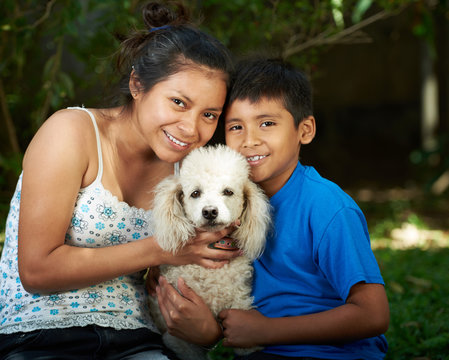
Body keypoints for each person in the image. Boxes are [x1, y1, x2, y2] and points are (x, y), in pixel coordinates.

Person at [0, 2, 239, 359]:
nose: (191, 128)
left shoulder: (190, 177)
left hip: (135, 339)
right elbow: (37, 269)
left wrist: (209, 329)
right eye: (179, 102)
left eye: (209, 114)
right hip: (39, 335)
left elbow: (193, 264)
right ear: (138, 84)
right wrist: (160, 249)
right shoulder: (72, 133)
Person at [155, 58, 390, 359]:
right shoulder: (229, 201)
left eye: (267, 123)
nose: (250, 140)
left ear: (304, 130)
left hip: (329, 353)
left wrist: (268, 330)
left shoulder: (327, 207)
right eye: (236, 126)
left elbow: (373, 314)